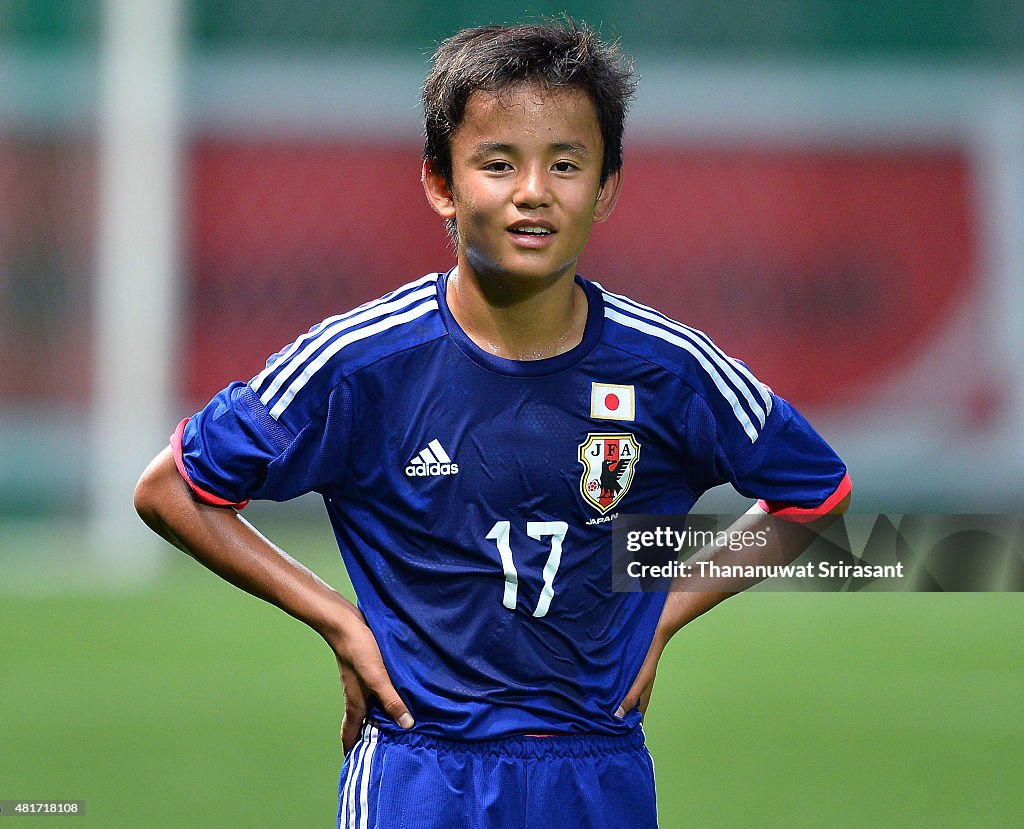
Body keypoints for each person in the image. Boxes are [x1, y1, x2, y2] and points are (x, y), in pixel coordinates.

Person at [134, 19, 851, 829]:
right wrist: (337, 618)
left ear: (608, 185)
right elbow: (173, 488)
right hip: (419, 767)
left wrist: (666, 606)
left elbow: (816, 495)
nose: (533, 190)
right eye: (498, 162)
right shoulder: (360, 361)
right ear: (441, 182)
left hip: (598, 770)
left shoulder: (670, 368)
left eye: (567, 164)